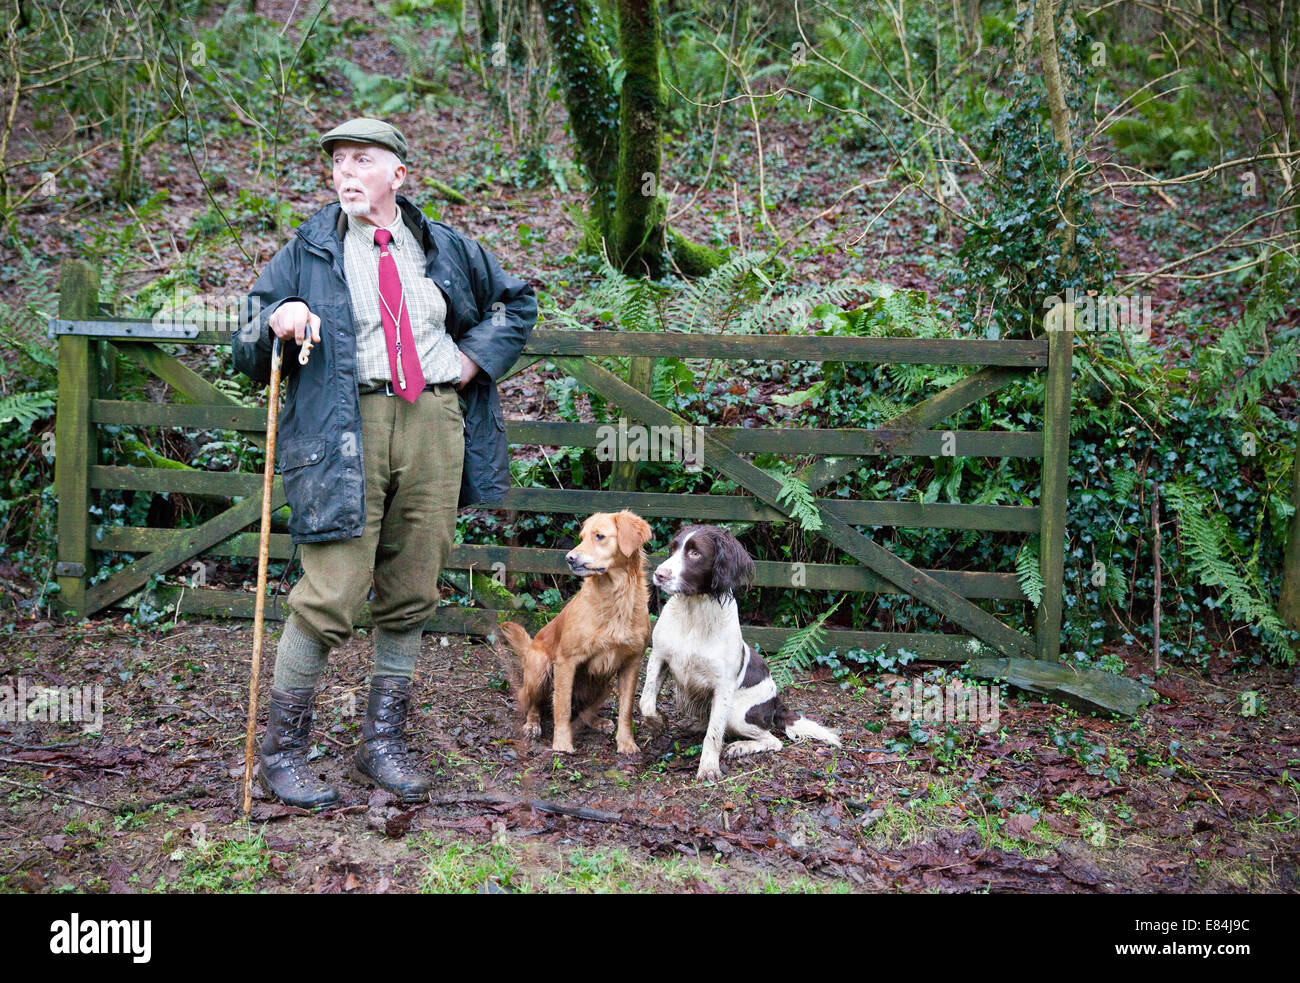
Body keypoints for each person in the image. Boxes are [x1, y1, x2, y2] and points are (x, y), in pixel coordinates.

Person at [232, 118, 536, 808]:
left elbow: (519, 301)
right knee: (331, 591)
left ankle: (382, 744)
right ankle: (280, 754)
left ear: (398, 174)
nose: (344, 171)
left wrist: (473, 356)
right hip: (346, 427)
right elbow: (245, 340)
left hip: (434, 420)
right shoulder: (308, 251)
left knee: (411, 587)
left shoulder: (444, 246)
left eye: (361, 160)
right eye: (337, 161)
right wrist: (276, 316)